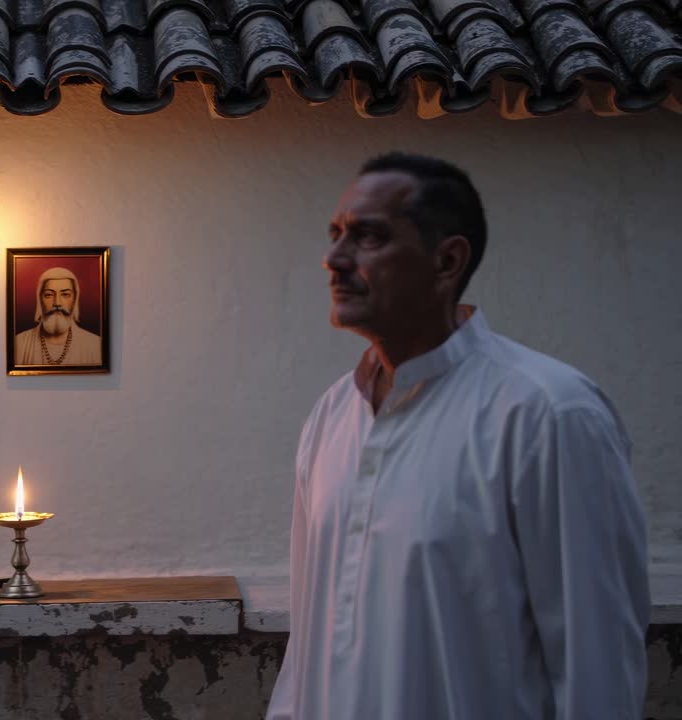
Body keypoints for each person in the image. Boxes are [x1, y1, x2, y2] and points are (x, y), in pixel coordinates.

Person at [267, 152, 650, 719]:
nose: (334, 259)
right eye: (335, 234)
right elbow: (308, 648)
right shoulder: (332, 417)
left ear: (447, 261)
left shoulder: (549, 415)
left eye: (367, 236)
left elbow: (596, 671)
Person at [14, 266, 101, 366]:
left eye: (65, 295)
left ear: (75, 300)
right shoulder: (19, 343)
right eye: (49, 295)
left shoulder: (95, 345)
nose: (57, 303)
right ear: (40, 300)